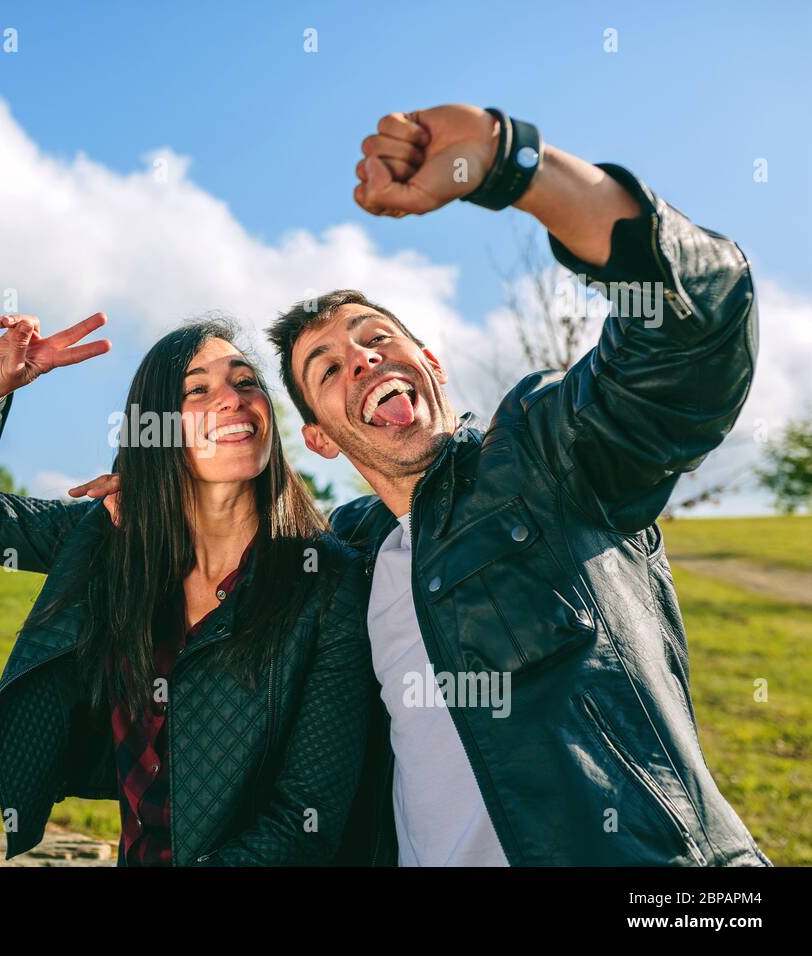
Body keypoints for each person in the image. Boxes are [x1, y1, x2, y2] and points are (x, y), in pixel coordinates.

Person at [79, 103, 770, 866]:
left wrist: (515, 164)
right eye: (330, 369)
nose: (364, 361)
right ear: (319, 436)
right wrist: (156, 494)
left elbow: (696, 323)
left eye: (377, 340)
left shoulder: (543, 460)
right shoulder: (343, 556)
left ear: (431, 364)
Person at [0, 312, 381, 865]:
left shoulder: (326, 584)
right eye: (197, 390)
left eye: (244, 380)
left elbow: (304, 823)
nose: (232, 399)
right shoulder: (115, 537)